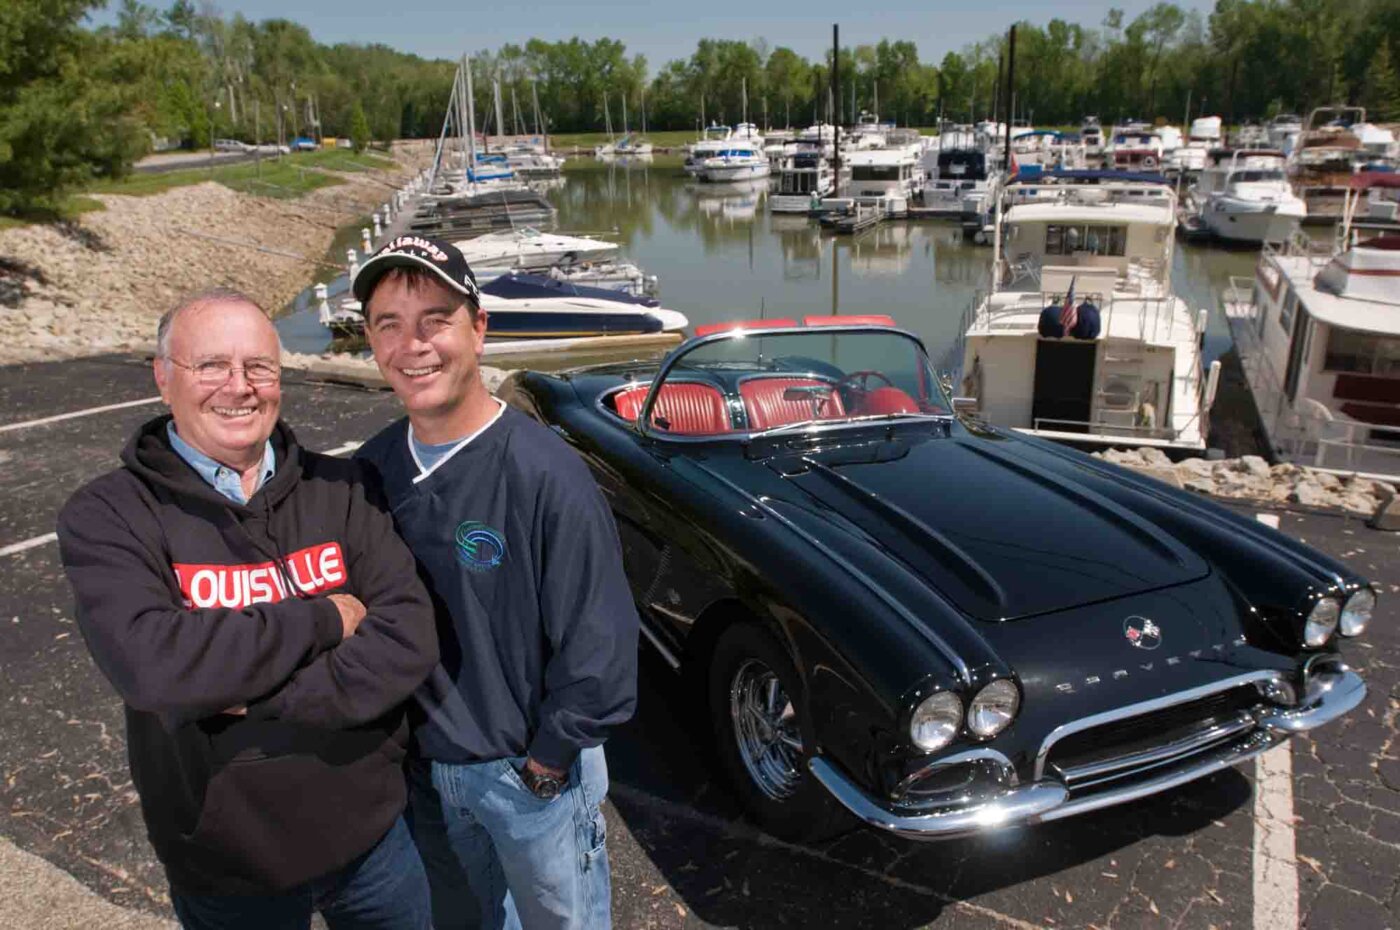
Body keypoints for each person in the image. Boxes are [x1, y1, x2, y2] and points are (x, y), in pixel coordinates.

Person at [57, 288, 440, 929]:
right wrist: (322, 619)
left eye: (259, 366)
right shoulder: (108, 515)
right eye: (211, 365)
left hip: (373, 838)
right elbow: (158, 670)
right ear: (163, 378)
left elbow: (407, 639)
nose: (239, 387)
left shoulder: (343, 489)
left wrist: (252, 699)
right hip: (226, 864)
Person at [352, 236, 639, 930]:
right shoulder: (372, 468)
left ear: (478, 329)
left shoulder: (546, 472)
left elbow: (600, 650)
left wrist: (545, 767)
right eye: (388, 324)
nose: (412, 344)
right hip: (426, 775)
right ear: (369, 340)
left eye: (434, 320)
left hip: (527, 776)